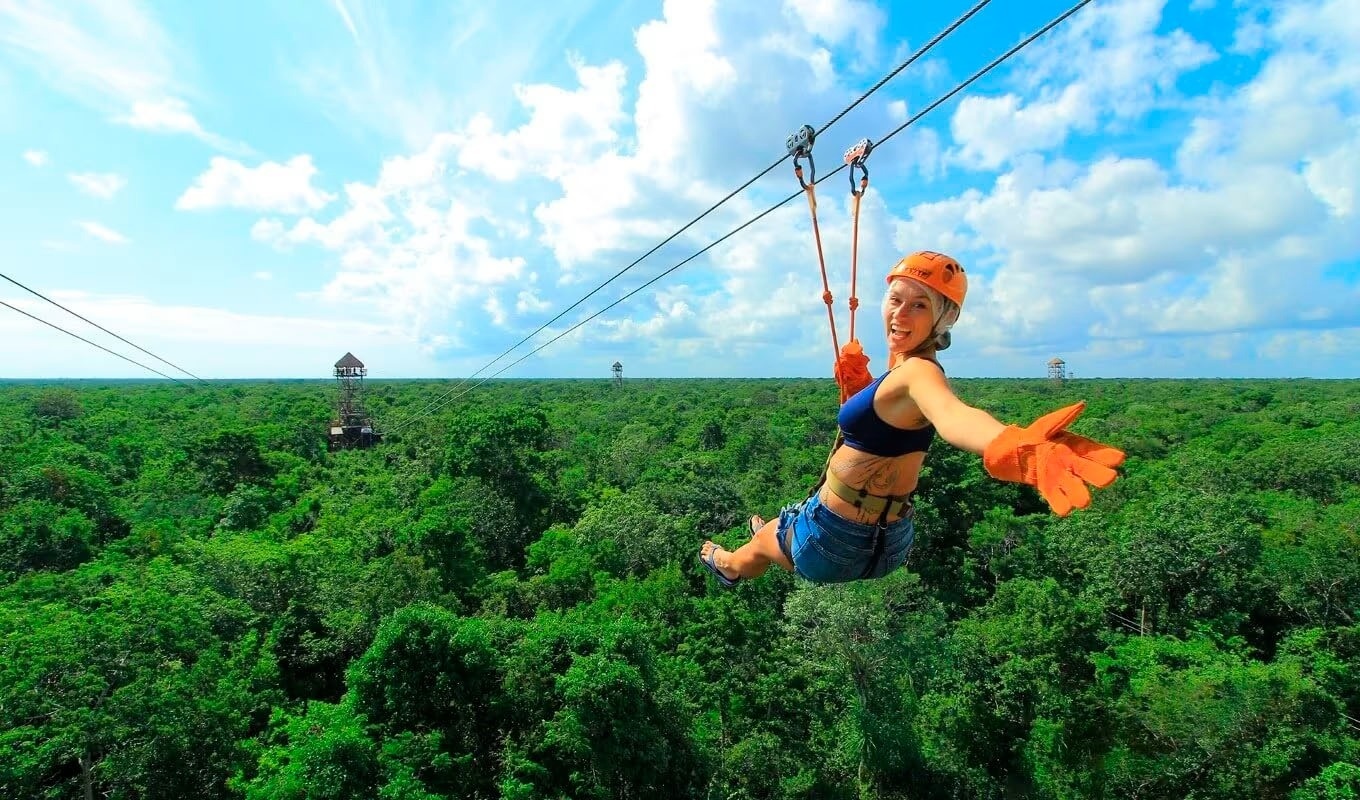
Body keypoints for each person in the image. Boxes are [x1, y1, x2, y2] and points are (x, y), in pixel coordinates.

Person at [698, 250, 1126, 587]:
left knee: (755, 549)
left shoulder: (920, 374)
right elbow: (893, 417)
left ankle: (728, 564)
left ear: (945, 318)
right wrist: (864, 387)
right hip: (889, 543)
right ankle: (778, 525)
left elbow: (953, 415)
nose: (900, 315)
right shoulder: (903, 371)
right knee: (782, 523)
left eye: (919, 305)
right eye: (895, 300)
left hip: (831, 541)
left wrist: (1011, 445)